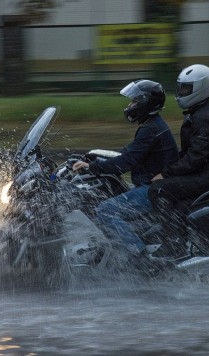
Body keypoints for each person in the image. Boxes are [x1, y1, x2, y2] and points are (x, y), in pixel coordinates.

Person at [72, 79, 179, 256]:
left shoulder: (150, 129)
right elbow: (129, 153)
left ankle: (139, 257)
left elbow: (125, 162)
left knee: (106, 211)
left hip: (152, 189)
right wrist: (95, 159)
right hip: (154, 185)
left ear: (146, 102)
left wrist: (92, 167)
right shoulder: (153, 125)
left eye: (135, 101)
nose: (130, 105)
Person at [149, 64, 209, 219]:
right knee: (179, 204)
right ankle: (182, 232)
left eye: (186, 89)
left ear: (202, 88)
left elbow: (195, 158)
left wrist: (166, 173)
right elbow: (190, 153)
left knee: (157, 189)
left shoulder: (205, 118)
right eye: (181, 88)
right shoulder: (200, 113)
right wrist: (165, 167)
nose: (181, 93)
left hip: (208, 175)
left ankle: (170, 236)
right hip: (207, 172)